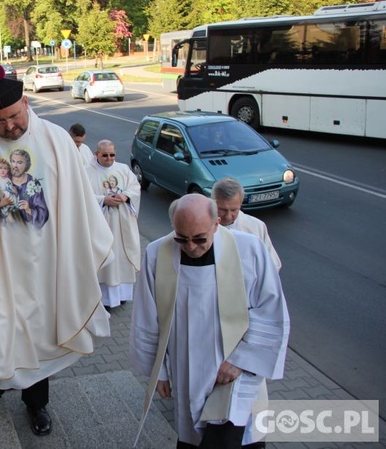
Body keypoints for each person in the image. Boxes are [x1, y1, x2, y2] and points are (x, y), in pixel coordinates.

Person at [0, 62, 113, 436]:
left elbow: (78, 201)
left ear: (26, 103)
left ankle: (37, 405)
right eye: (0, 122)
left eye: (14, 118)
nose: (10, 127)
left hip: (48, 260)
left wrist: (79, 251)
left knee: (37, 335)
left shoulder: (56, 140)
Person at [130, 194, 289, 448]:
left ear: (216, 224)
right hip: (186, 368)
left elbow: (271, 309)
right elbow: (148, 317)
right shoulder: (157, 254)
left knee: (233, 438)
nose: (190, 247)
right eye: (182, 238)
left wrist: (240, 360)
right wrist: (158, 371)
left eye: (199, 238)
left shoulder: (249, 250)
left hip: (234, 372)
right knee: (193, 437)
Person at [85, 140, 141, 309]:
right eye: (105, 155)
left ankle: (122, 296)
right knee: (105, 260)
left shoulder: (123, 169)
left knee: (121, 258)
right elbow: (82, 195)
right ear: (97, 154)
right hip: (102, 224)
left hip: (122, 224)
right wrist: (103, 200)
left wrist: (125, 196)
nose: (109, 158)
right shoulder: (86, 172)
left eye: (112, 155)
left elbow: (135, 187)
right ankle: (104, 299)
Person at [212, 178, 282, 271]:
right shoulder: (201, 227)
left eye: (234, 210)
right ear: (213, 202)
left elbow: (272, 265)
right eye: (223, 210)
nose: (228, 216)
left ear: (240, 203)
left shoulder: (257, 227)